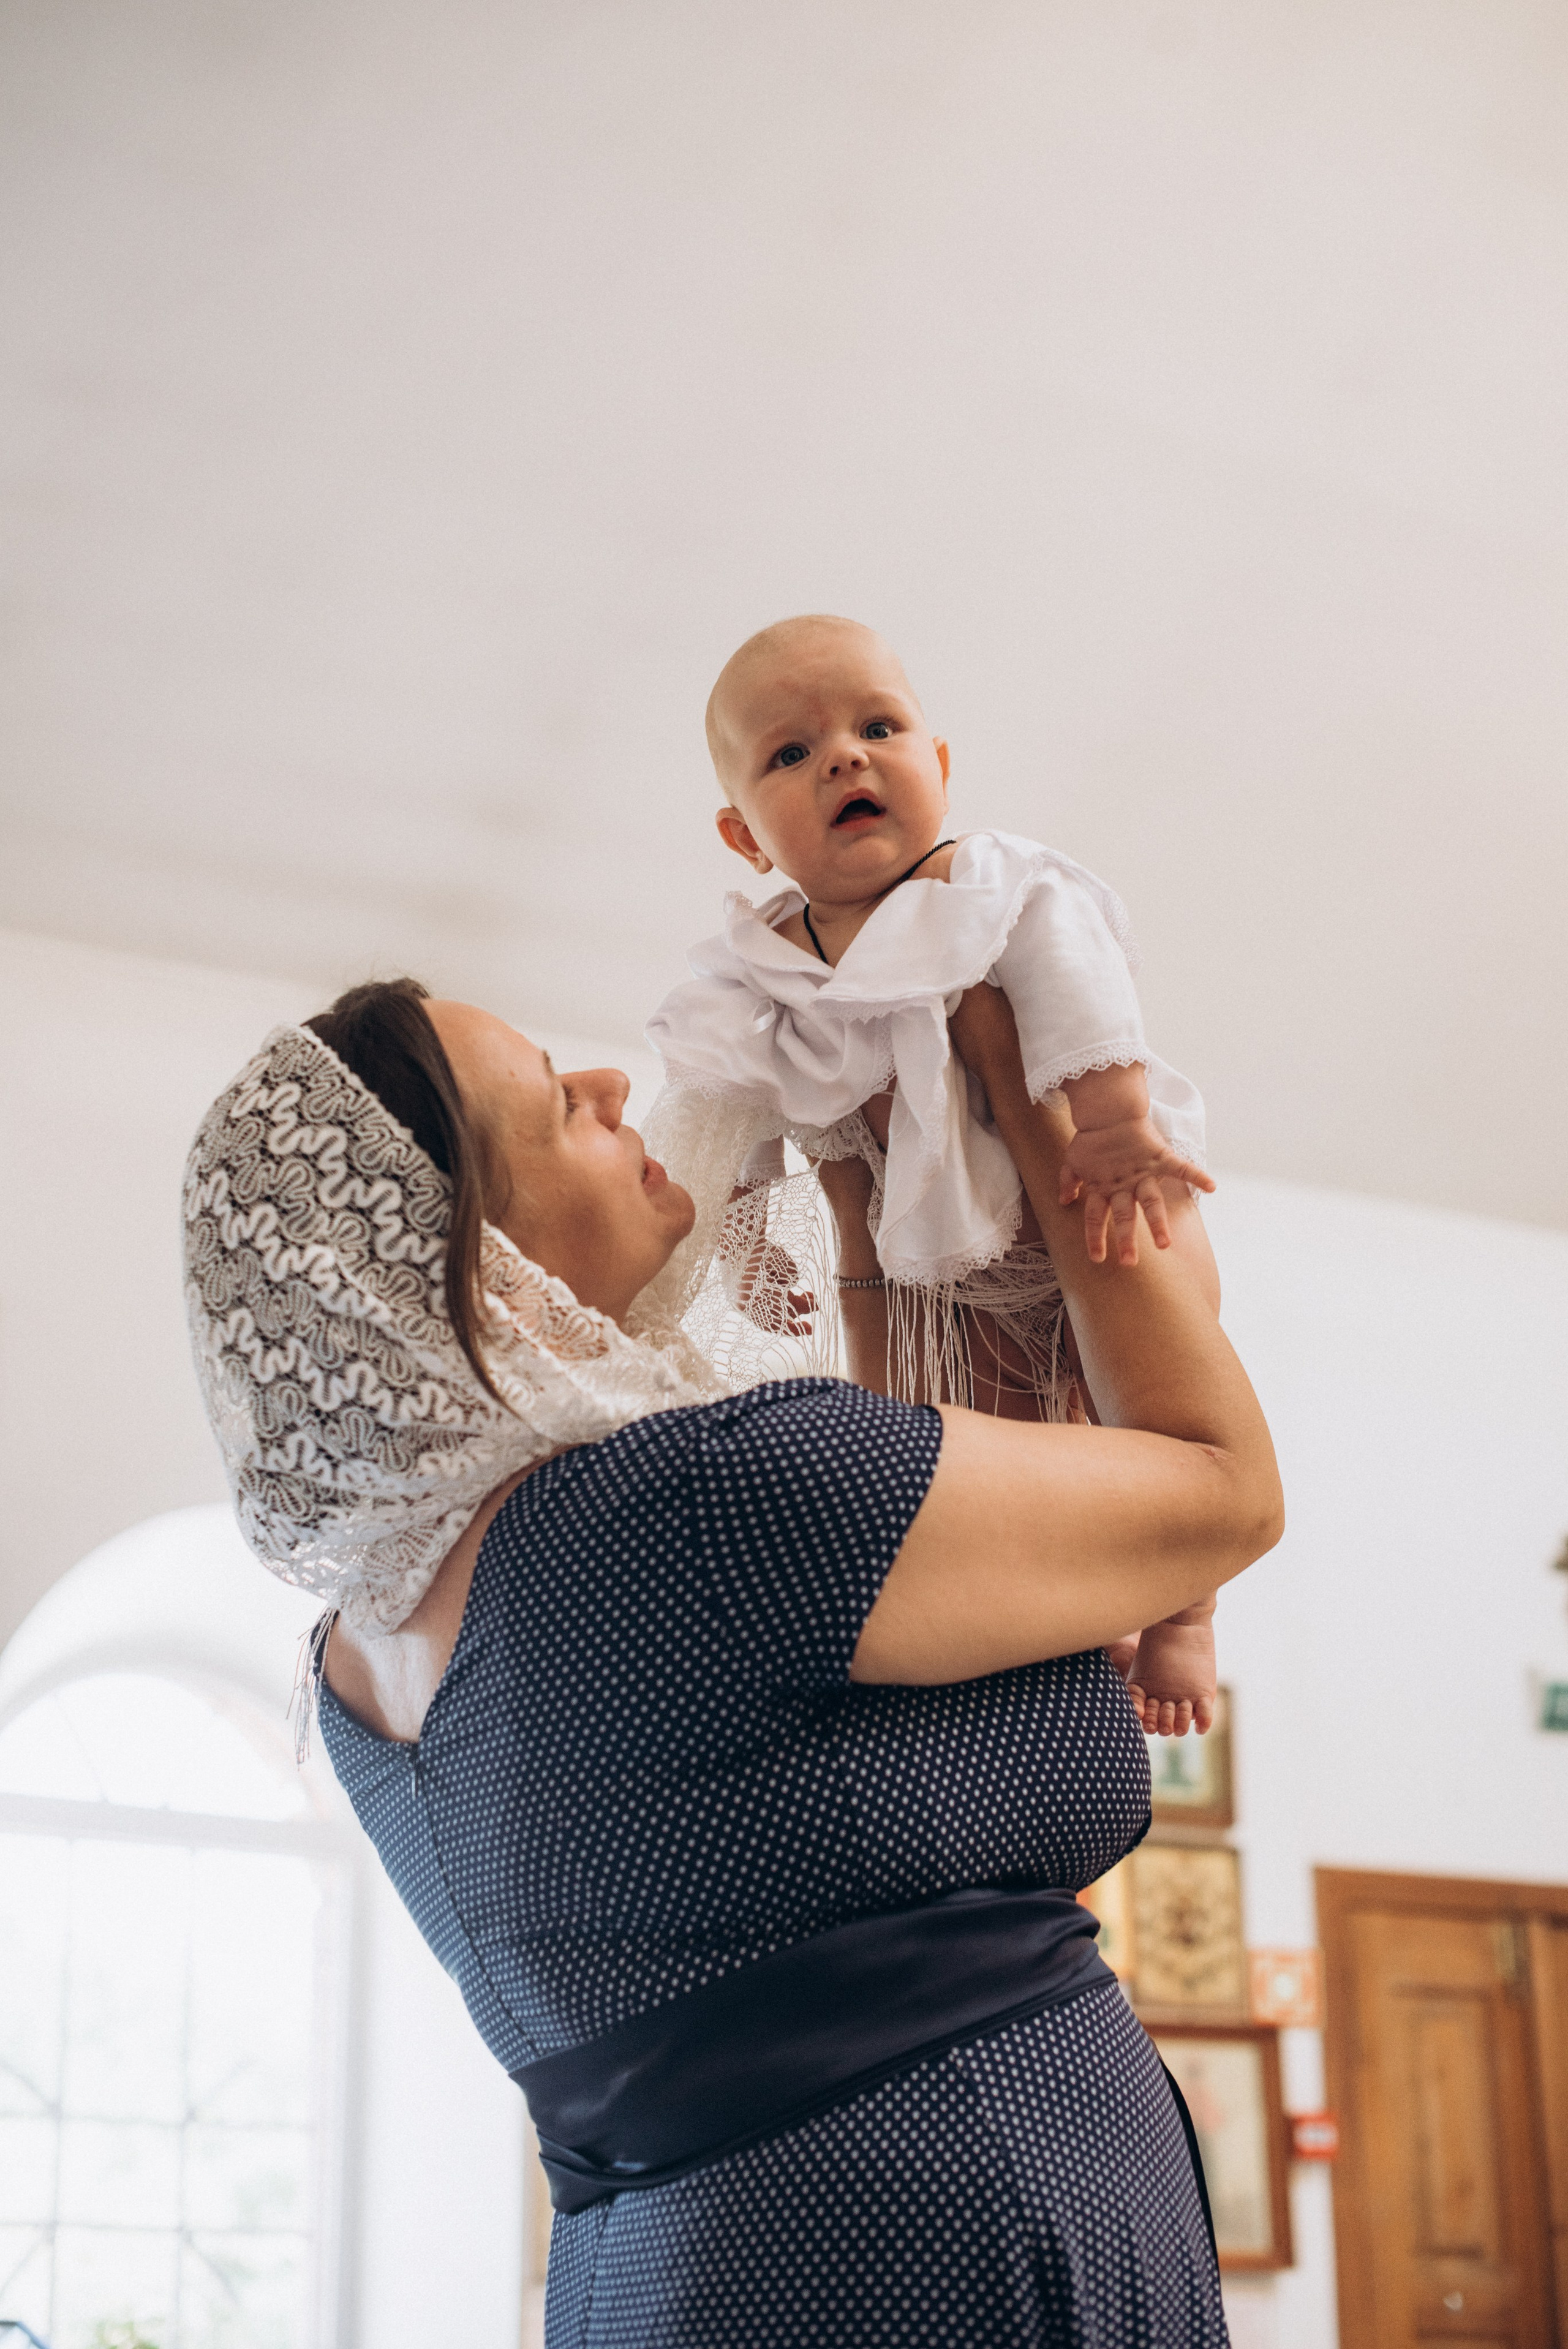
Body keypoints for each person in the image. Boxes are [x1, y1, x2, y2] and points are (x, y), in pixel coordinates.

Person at [182, 974, 1282, 2349]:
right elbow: (1221, 1494)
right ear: (463, 1260)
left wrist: (863, 1250)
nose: (605, 1085)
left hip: (662, 2288)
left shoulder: (363, 1660)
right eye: (547, 1101)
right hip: (942, 2256)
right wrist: (1037, 1104)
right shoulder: (686, 1505)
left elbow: (838, 1691)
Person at [644, 611, 1218, 1735]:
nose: (846, 758)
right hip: (944, 1265)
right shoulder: (757, 973)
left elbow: (1078, 979)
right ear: (744, 835)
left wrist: (1110, 1124)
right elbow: (728, 1108)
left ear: (939, 767)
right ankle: (1073, 1608)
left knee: (1147, 1402)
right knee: (997, 1444)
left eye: (878, 727)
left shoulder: (989, 885)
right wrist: (749, 1244)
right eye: (792, 754)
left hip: (1106, 1182)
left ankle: (1185, 1610)